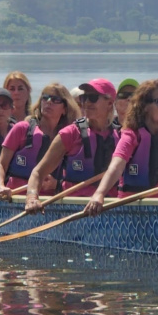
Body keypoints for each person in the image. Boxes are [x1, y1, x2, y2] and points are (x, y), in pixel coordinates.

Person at [84, 79, 158, 216]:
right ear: (145, 106)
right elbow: (116, 166)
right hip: (135, 211)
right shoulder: (132, 135)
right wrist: (99, 194)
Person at [25, 79, 119, 214]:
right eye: (84, 98)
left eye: (92, 98)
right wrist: (32, 197)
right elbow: (38, 172)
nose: (86, 103)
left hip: (111, 207)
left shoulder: (121, 136)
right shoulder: (70, 133)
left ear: (110, 103)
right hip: (75, 208)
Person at [0, 83, 80, 200]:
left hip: (49, 201)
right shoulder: (22, 128)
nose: (48, 102)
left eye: (55, 100)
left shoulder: (69, 136)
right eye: (45, 98)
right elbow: (1, 164)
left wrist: (56, 184)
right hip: (16, 197)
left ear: (65, 109)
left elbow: (74, 176)